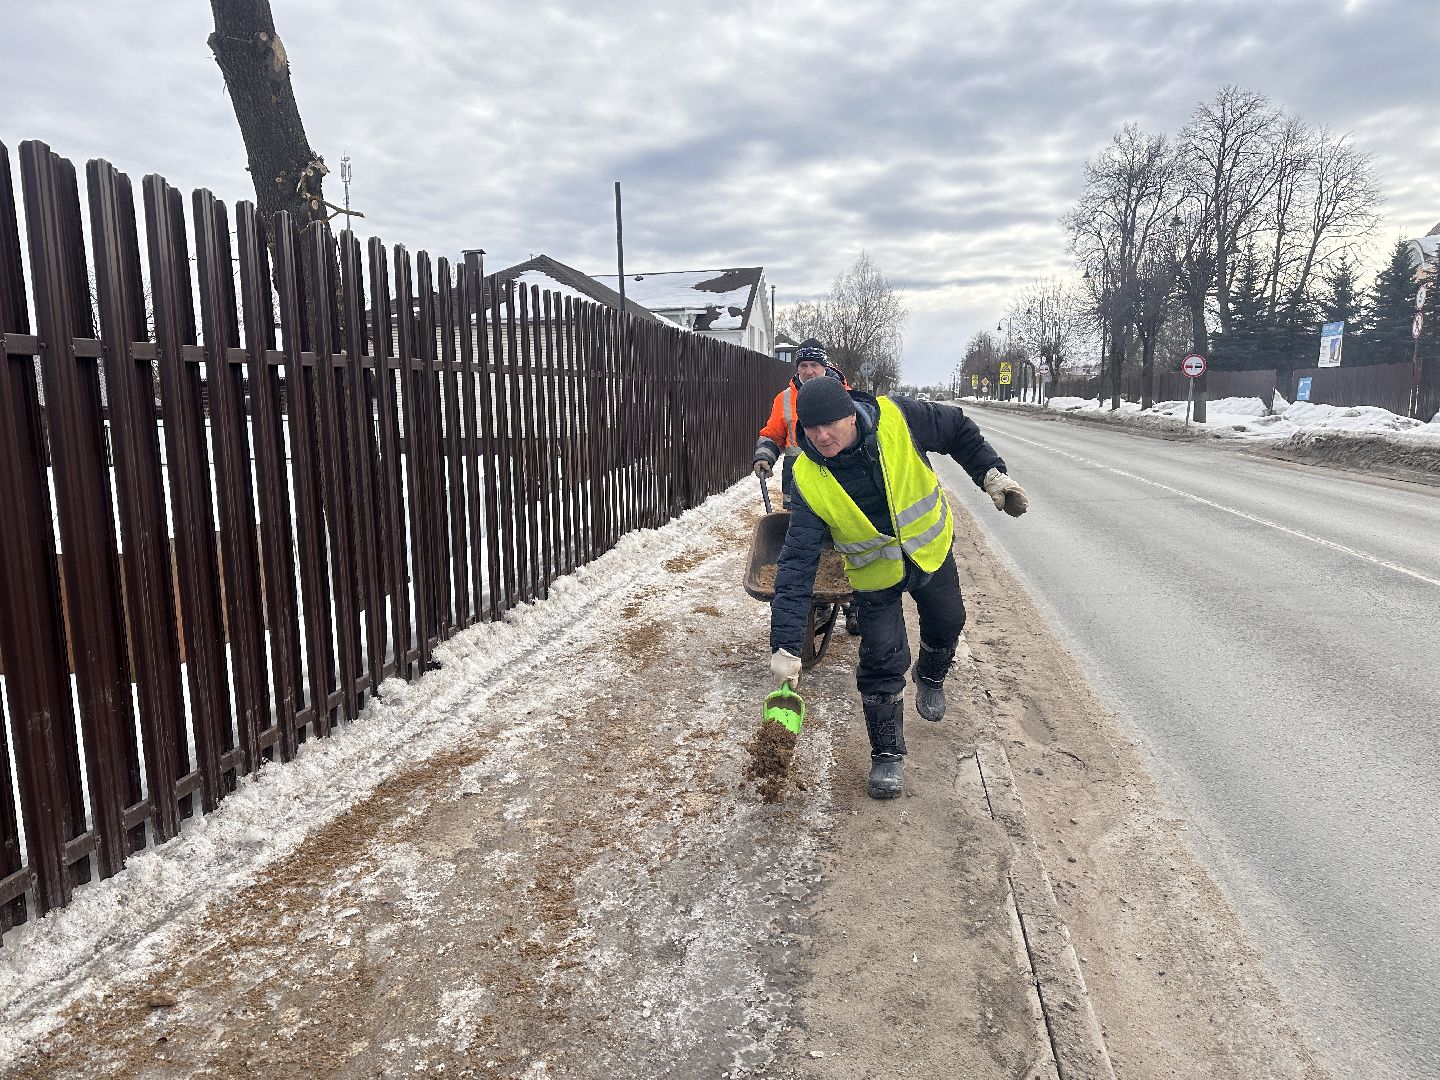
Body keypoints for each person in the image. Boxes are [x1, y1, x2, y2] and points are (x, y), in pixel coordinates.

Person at [767, 376, 1028, 800]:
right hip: (875, 577)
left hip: (929, 551)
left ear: (851, 413)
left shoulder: (899, 418)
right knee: (882, 659)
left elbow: (958, 427)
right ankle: (886, 754)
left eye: (831, 423)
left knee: (948, 621)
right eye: (812, 428)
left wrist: (992, 475)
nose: (822, 435)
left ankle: (930, 674)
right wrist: (785, 646)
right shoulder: (808, 477)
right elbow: (796, 564)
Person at [752, 338, 846, 510]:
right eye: (803, 365)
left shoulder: (845, 395)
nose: (808, 371)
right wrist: (764, 456)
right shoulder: (785, 399)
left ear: (824, 367)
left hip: (838, 485)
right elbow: (773, 435)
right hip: (798, 488)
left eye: (814, 364)